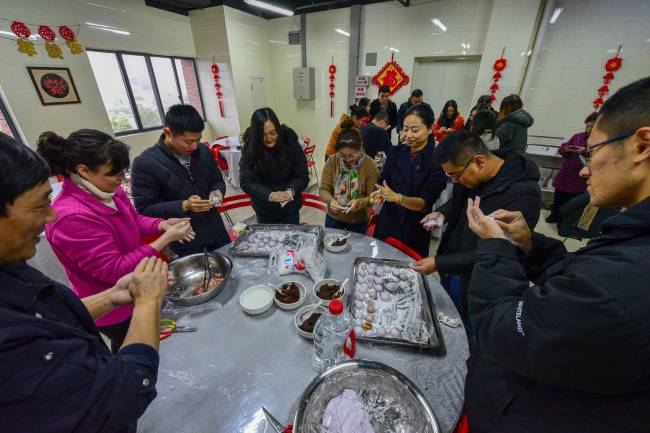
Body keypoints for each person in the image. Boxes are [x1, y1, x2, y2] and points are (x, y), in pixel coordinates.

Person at [462, 76, 650, 433]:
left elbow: (501, 328)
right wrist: (529, 244)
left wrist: (496, 246)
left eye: (591, 152)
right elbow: (577, 281)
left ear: (642, 145)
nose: (584, 168)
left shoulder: (626, 283)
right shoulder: (631, 241)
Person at [0, 132, 169, 433]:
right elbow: (122, 394)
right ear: (84, 171)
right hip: (118, 320)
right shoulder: (71, 217)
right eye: (40, 205)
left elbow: (49, 319)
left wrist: (112, 295)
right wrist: (147, 301)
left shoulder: (109, 193)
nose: (50, 215)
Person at [38, 130, 193, 353]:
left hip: (137, 284)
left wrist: (161, 225)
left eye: (122, 172)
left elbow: (134, 220)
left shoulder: (107, 188)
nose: (121, 179)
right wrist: (164, 240)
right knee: (134, 350)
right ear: (83, 170)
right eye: (114, 174)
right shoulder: (71, 217)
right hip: (114, 307)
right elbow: (114, 270)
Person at [412, 131, 541, 341]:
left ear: (479, 162)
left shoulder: (523, 194)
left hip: (479, 280)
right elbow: (458, 203)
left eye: (456, 176)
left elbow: (501, 250)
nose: (455, 181)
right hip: (452, 265)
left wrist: (439, 263)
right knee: (448, 319)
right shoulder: (471, 176)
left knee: (469, 332)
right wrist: (442, 213)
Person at [131, 104, 229, 257]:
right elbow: (145, 209)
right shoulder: (145, 163)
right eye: (188, 141)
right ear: (167, 132)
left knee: (230, 263)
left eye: (198, 140)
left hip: (216, 228)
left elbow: (217, 179)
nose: (194, 146)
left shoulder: (203, 151)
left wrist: (217, 190)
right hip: (185, 237)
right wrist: (183, 205)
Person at [371, 104, 447, 258]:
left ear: (430, 128)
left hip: (414, 227)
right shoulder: (396, 151)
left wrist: (398, 198)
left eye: (415, 130)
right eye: (405, 129)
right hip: (389, 220)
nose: (409, 135)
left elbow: (425, 202)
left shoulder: (437, 160)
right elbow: (384, 179)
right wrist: (379, 193)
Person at [239, 108, 309, 224]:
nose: (269, 138)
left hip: (289, 208)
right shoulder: (251, 146)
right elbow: (246, 182)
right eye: (263, 135)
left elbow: (302, 175)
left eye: (272, 133)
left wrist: (291, 190)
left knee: (292, 234)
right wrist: (270, 195)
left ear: (277, 128)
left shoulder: (289, 140)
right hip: (265, 210)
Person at [320, 120, 379, 234]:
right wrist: (330, 200)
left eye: (352, 155)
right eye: (343, 155)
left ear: (359, 148)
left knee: (356, 245)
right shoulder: (332, 161)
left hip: (358, 220)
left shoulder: (370, 166)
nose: (347, 160)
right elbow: (323, 189)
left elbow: (373, 197)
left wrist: (359, 202)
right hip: (334, 217)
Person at [546, 112, 598, 224]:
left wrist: (588, 153)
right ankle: (554, 215)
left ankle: (563, 222)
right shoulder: (578, 136)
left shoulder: (599, 141)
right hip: (566, 172)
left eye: (592, 127)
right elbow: (563, 151)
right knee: (558, 196)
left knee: (570, 201)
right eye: (587, 126)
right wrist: (566, 149)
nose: (589, 129)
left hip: (579, 177)